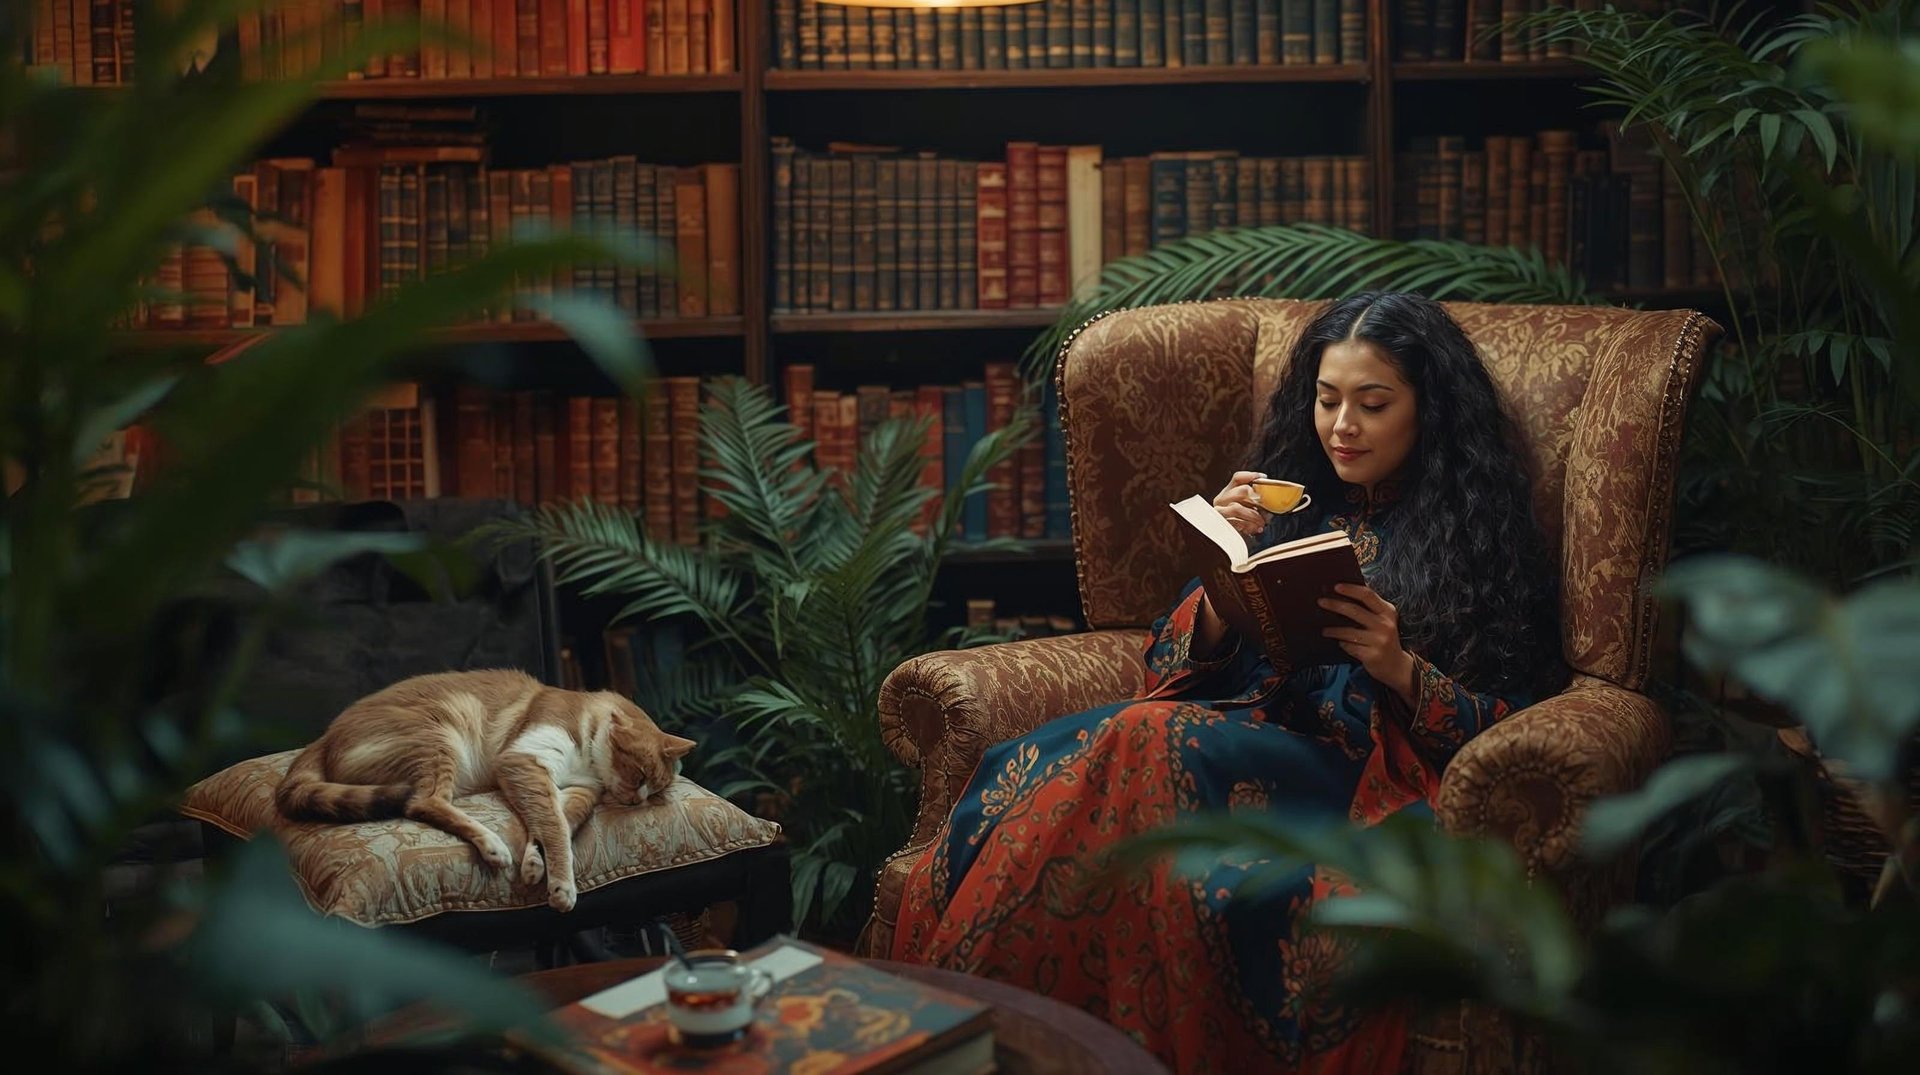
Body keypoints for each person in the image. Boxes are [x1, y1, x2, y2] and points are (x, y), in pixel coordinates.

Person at [887, 292, 1567, 1073]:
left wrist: (1401, 667)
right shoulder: (1289, 502)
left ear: (1429, 410)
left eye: (1373, 404)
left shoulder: (1480, 541)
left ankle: (983, 1036)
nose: (1343, 425)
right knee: (1075, 750)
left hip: (1352, 775)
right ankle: (989, 1037)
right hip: (1239, 734)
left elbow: (1511, 721)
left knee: (1144, 734)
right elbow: (1165, 664)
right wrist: (1220, 575)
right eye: (1327, 399)